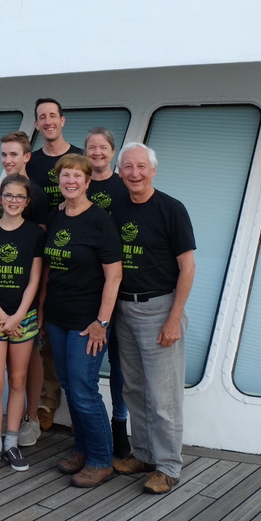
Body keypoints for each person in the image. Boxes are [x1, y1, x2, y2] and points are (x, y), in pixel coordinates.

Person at [111, 142, 196, 495]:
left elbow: (187, 267)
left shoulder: (171, 209)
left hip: (160, 309)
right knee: (134, 389)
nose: (134, 173)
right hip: (124, 310)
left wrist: (173, 320)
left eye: (141, 167)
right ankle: (144, 454)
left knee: (163, 396)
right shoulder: (116, 209)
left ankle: (168, 466)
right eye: (128, 167)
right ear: (119, 173)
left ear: (153, 170)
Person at [43, 154, 123, 487]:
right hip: (57, 319)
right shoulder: (56, 216)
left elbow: (114, 276)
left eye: (77, 176)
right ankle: (82, 450)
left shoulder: (99, 220)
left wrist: (101, 322)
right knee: (70, 386)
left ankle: (102, 460)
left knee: (84, 390)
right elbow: (48, 268)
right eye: (65, 176)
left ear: (88, 182)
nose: (71, 181)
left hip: (86, 324)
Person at [0, 174, 44, 474]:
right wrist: (3, 317)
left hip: (23, 320)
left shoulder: (34, 235)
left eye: (20, 196)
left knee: (18, 381)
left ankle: (11, 442)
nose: (14, 201)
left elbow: (34, 280)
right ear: (0, 198)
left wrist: (17, 316)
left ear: (27, 202)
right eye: (8, 195)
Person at [25, 99, 83, 434]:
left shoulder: (77, 158)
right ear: (36, 125)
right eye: (41, 118)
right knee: (42, 333)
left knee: (63, 330)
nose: (47, 122)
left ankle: (59, 403)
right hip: (35, 250)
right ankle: (44, 403)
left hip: (68, 252)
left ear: (62, 119)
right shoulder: (30, 163)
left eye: (52, 116)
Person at [83, 127, 131, 459]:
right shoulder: (79, 187)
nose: (97, 152)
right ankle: (87, 431)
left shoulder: (124, 188)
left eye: (103, 147)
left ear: (112, 152)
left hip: (122, 288)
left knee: (121, 364)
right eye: (91, 147)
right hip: (88, 293)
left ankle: (120, 425)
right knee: (86, 367)